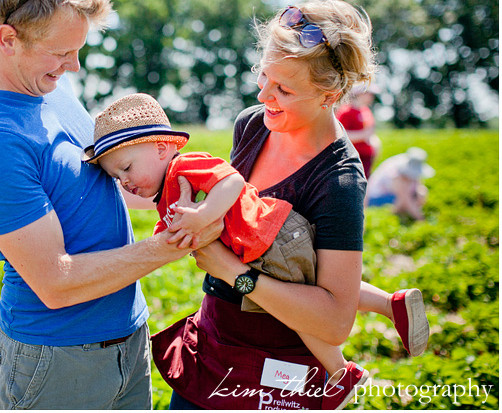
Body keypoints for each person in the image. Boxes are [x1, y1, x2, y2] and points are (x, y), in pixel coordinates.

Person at [0, 0, 221, 410]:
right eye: (61, 52)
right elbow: (57, 283)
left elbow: (103, 189)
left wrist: (190, 195)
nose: (73, 66)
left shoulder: (52, 90)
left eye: (77, 49)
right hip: (54, 362)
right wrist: (174, 242)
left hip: (128, 339)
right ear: (8, 39)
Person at [150, 0, 430, 410]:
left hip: (276, 377)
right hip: (212, 347)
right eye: (263, 77)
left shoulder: (338, 178)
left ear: (329, 95)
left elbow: (334, 322)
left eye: (283, 88)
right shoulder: (252, 124)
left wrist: (231, 271)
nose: (264, 95)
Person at [83, 93, 430, 409]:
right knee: (306, 283)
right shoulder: (169, 191)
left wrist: (204, 215)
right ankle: (390, 304)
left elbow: (230, 181)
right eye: (117, 177)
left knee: (298, 310)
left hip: (269, 237)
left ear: (161, 146)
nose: (125, 182)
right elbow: (168, 235)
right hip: (261, 245)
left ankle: (341, 372)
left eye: (127, 168)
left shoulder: (185, 166)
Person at [366, 147, 435, 221]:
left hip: (391, 195)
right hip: (376, 197)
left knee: (421, 192)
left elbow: (418, 186)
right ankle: (394, 215)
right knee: (403, 200)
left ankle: (406, 214)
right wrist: (421, 219)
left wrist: (420, 196)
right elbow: (404, 197)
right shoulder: (397, 171)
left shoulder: (410, 166)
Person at [336, 83, 382, 177]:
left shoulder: (366, 111)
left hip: (366, 159)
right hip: (352, 158)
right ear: (359, 94)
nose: (371, 97)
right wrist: (363, 135)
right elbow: (340, 136)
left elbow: (371, 134)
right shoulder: (346, 112)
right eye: (368, 93)